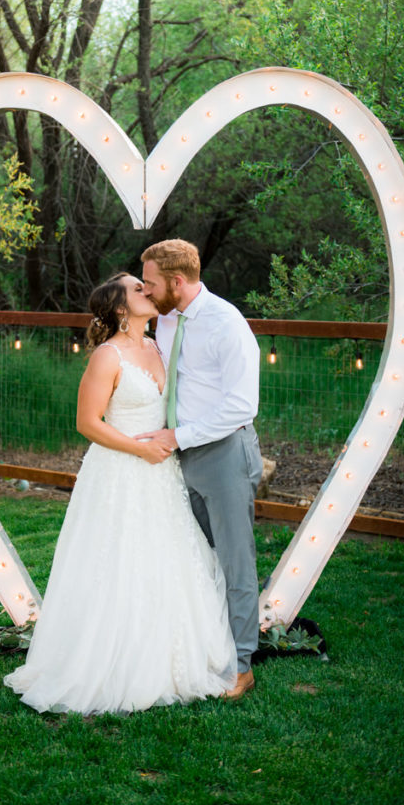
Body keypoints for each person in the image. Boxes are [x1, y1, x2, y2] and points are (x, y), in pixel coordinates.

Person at [3, 272, 237, 714]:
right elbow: (88, 423)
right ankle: (107, 662)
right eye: (136, 288)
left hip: (161, 472)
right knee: (117, 558)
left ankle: (172, 655)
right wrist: (139, 449)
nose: (147, 291)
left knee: (165, 556)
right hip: (119, 470)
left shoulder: (158, 345)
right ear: (119, 309)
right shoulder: (107, 357)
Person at [139, 239, 262, 700]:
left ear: (176, 281)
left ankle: (242, 664)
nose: (146, 291)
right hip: (179, 457)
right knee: (196, 558)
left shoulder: (226, 324)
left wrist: (178, 437)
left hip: (225, 454)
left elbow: (241, 404)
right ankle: (207, 647)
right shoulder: (165, 321)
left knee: (234, 560)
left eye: (151, 283)